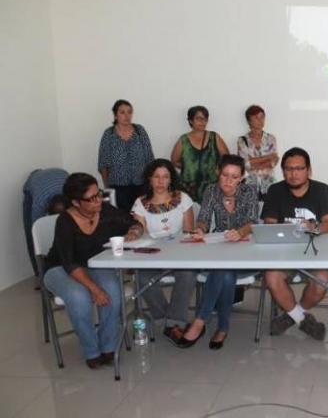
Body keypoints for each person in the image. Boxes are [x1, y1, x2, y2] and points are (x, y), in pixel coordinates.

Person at [43, 173, 144, 369]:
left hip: (95, 265)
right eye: (92, 198)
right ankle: (90, 349)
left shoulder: (105, 211)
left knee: (113, 291)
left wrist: (134, 231)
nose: (98, 200)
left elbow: (133, 222)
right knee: (79, 296)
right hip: (60, 268)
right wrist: (94, 289)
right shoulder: (65, 221)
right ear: (76, 202)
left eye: (99, 194)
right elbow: (69, 263)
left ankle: (108, 345)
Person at [173, 154, 258, 349]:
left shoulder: (250, 191)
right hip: (221, 248)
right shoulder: (211, 190)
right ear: (217, 173)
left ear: (242, 177)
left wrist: (240, 231)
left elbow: (252, 221)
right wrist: (201, 229)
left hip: (247, 251)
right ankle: (223, 327)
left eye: (234, 177)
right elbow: (203, 217)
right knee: (225, 274)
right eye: (225, 175)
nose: (228, 181)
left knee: (222, 271)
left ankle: (200, 320)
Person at [261, 147, 328, 341]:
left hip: (315, 253)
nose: (293, 174)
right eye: (288, 169)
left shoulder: (322, 189)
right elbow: (269, 223)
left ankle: (292, 315)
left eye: (299, 168)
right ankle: (301, 319)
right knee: (271, 276)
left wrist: (315, 227)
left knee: (322, 280)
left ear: (308, 170)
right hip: (284, 253)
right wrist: (286, 227)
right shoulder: (275, 190)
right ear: (283, 171)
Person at [131, 159, 197, 344]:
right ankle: (168, 321)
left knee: (188, 273)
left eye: (165, 177)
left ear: (171, 180)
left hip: (180, 256)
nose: (160, 181)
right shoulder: (140, 203)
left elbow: (189, 233)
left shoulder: (182, 199)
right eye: (156, 177)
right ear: (149, 179)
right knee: (142, 278)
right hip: (153, 257)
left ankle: (173, 322)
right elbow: (140, 236)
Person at [98, 99, 154, 212]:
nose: (126, 115)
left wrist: (151, 182)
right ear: (115, 115)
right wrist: (107, 186)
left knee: (140, 214)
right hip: (118, 185)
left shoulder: (140, 131)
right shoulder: (109, 134)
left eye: (129, 112)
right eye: (122, 112)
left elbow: (149, 158)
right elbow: (103, 163)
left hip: (140, 184)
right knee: (122, 216)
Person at [170, 105, 229, 203]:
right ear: (190, 121)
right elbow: (174, 161)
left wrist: (218, 170)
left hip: (211, 186)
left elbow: (227, 158)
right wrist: (190, 168)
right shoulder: (183, 140)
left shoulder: (214, 137)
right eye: (198, 118)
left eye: (205, 119)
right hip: (188, 188)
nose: (203, 121)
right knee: (189, 215)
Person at [236, 105, 279, 201]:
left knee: (268, 212)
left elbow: (274, 161)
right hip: (250, 184)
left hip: (268, 184)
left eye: (262, 117)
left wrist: (254, 164)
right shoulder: (242, 140)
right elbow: (245, 164)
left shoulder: (270, 138)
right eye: (256, 117)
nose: (260, 120)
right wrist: (267, 157)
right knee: (251, 213)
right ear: (249, 121)